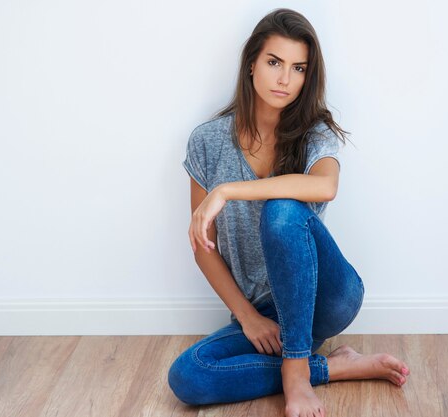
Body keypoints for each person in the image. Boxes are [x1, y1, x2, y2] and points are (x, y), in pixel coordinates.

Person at [168, 8, 410, 417]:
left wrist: (227, 190)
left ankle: (296, 374)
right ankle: (332, 367)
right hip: (264, 312)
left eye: (298, 68)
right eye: (274, 62)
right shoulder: (207, 141)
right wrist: (247, 318)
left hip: (325, 297)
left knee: (281, 211)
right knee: (190, 376)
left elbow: (324, 187)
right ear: (251, 65)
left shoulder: (316, 134)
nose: (285, 79)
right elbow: (203, 244)